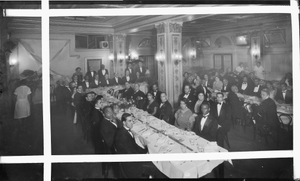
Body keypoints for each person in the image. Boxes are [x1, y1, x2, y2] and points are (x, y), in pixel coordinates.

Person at [114, 113, 165, 178]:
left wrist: (145, 151)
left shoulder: (125, 131)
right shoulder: (122, 137)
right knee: (157, 168)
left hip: (132, 158)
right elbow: (131, 154)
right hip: (131, 165)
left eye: (132, 120)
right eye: (129, 121)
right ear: (124, 122)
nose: (132, 123)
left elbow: (134, 146)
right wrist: (144, 156)